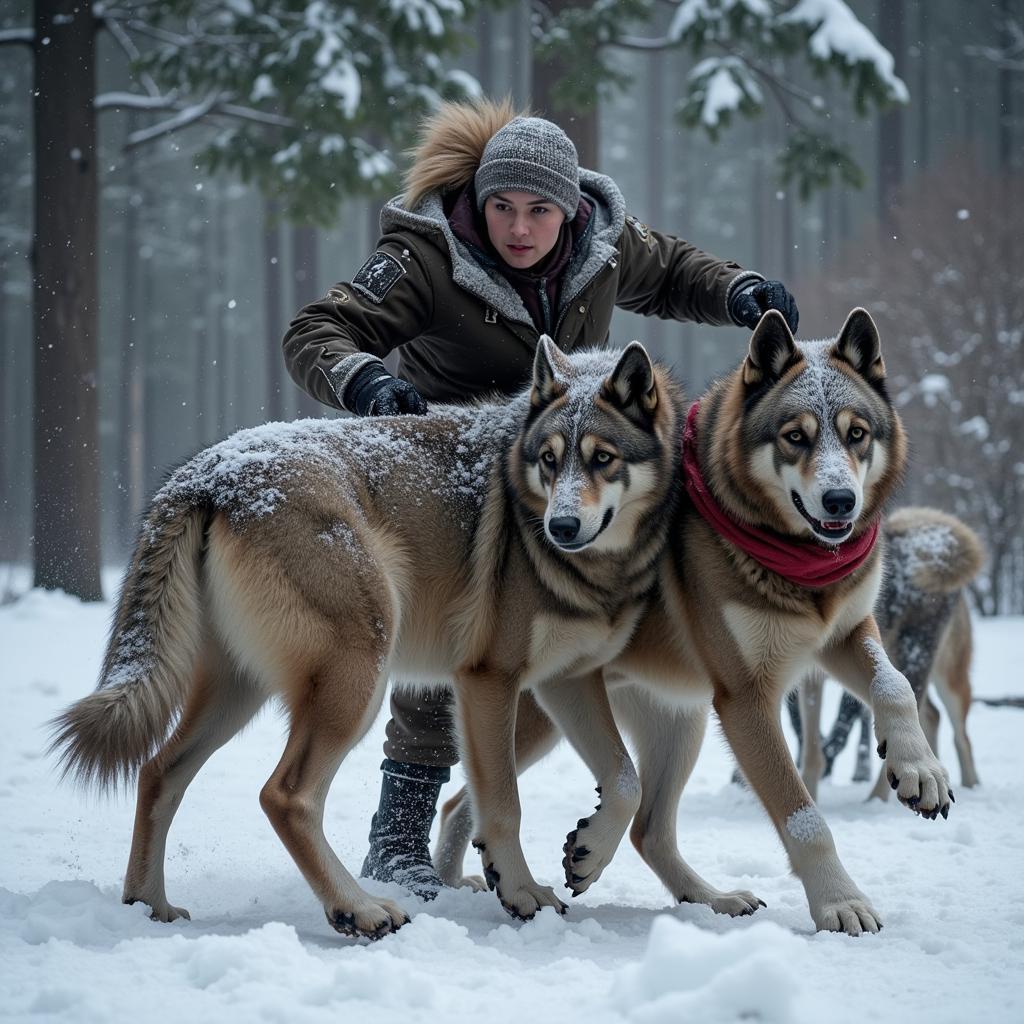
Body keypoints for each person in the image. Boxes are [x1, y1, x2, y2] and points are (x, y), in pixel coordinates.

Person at [282, 97, 799, 899]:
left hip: (572, 467)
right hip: (453, 470)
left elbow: (671, 272)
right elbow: (318, 329)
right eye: (501, 208)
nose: (518, 229)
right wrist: (367, 380)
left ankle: (631, 766)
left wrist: (741, 292)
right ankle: (397, 838)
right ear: (479, 203)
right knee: (446, 639)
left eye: (538, 211)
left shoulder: (602, 243)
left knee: (580, 628)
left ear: (571, 209)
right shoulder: (426, 253)